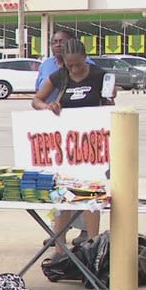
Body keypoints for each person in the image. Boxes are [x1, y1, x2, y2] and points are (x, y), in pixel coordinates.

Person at [31, 39, 114, 243]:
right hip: (66, 147)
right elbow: (36, 100)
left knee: (91, 196)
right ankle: (60, 248)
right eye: (70, 66)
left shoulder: (99, 75)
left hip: (93, 146)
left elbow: (109, 101)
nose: (75, 69)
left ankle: (92, 244)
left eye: (78, 64)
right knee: (63, 196)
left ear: (86, 58)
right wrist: (48, 107)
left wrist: (110, 97)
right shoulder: (59, 76)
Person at [34, 29, 93, 95]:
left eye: (61, 42)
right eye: (54, 42)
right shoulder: (45, 65)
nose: (57, 45)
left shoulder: (86, 63)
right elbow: (38, 91)